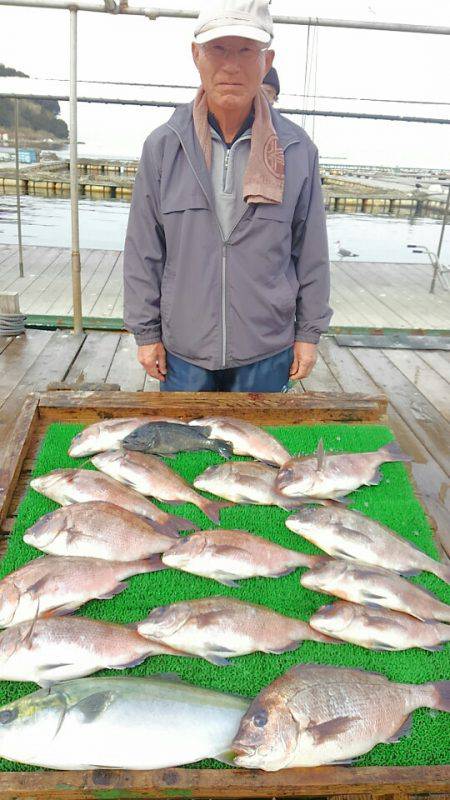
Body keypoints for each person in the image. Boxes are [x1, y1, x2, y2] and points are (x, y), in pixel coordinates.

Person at [124, 0, 332, 392]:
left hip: (267, 348)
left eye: (245, 51)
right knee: (184, 450)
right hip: (184, 349)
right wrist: (146, 332)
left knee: (259, 452)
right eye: (218, 49)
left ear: (266, 60)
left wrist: (308, 333)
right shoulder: (164, 146)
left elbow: (312, 251)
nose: (231, 65)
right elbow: (143, 247)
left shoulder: (298, 150)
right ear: (196, 55)